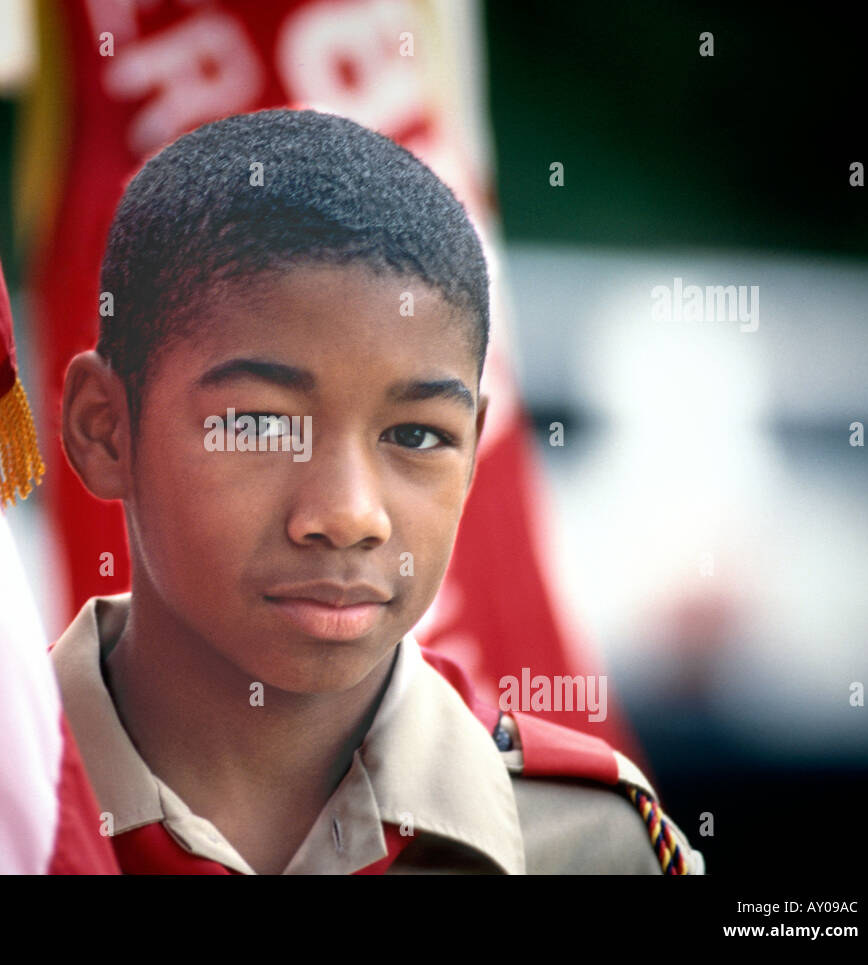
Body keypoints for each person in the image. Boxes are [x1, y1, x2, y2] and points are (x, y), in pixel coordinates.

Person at [53, 108, 704, 874]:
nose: (349, 515)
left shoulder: (589, 846)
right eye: (262, 426)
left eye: (418, 435)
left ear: (471, 453)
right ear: (105, 429)